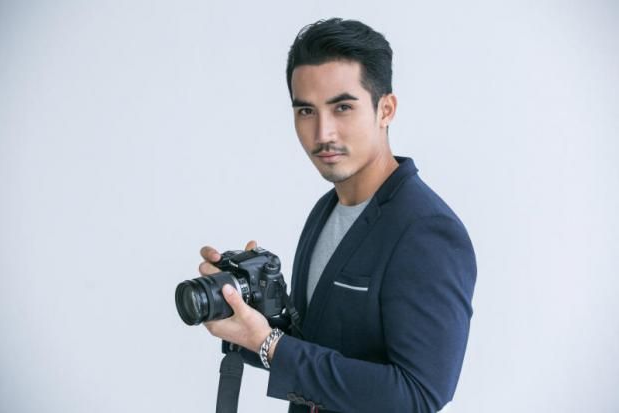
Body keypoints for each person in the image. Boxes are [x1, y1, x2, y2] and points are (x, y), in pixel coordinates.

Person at [199, 18, 477, 413]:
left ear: (386, 109)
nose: (322, 133)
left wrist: (271, 345)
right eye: (306, 110)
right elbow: (318, 349)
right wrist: (245, 316)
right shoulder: (326, 210)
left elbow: (418, 396)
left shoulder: (427, 231)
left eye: (342, 107)